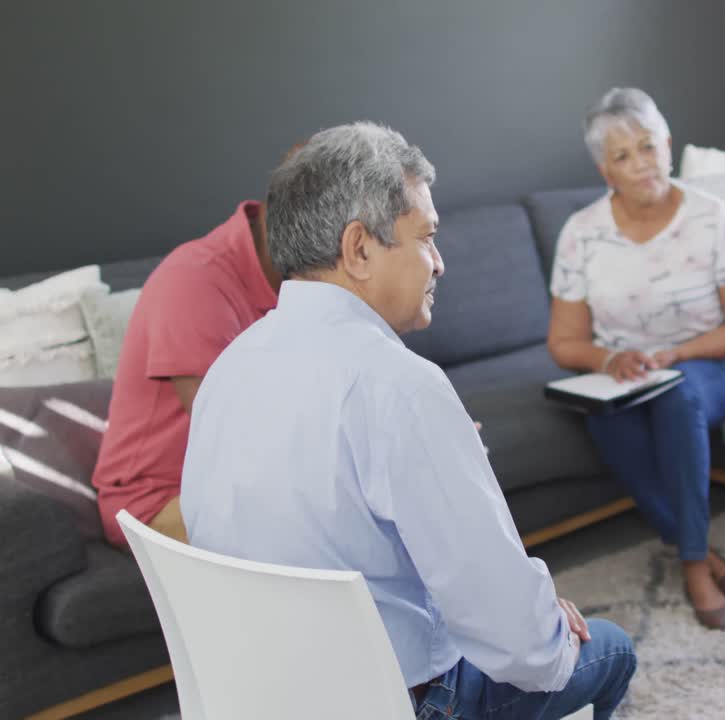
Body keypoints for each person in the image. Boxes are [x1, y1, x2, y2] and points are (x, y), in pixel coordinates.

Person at [180, 122, 635, 719]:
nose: (439, 263)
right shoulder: (398, 385)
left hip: (265, 694)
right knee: (610, 649)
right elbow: (517, 644)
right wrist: (547, 627)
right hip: (393, 703)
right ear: (359, 249)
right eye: (427, 237)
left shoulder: (231, 364)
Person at [546, 88, 725, 630]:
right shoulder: (582, 233)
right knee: (604, 421)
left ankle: (692, 565)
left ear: (668, 145)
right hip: (630, 378)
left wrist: (677, 353)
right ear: (606, 171)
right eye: (623, 156)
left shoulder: (710, 217)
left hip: (712, 365)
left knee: (679, 395)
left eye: (648, 146)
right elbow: (565, 343)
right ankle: (701, 548)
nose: (642, 163)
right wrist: (609, 359)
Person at [93, 193, 282, 547]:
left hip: (229, 485)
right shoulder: (194, 279)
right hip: (156, 498)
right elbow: (232, 438)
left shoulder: (303, 286)